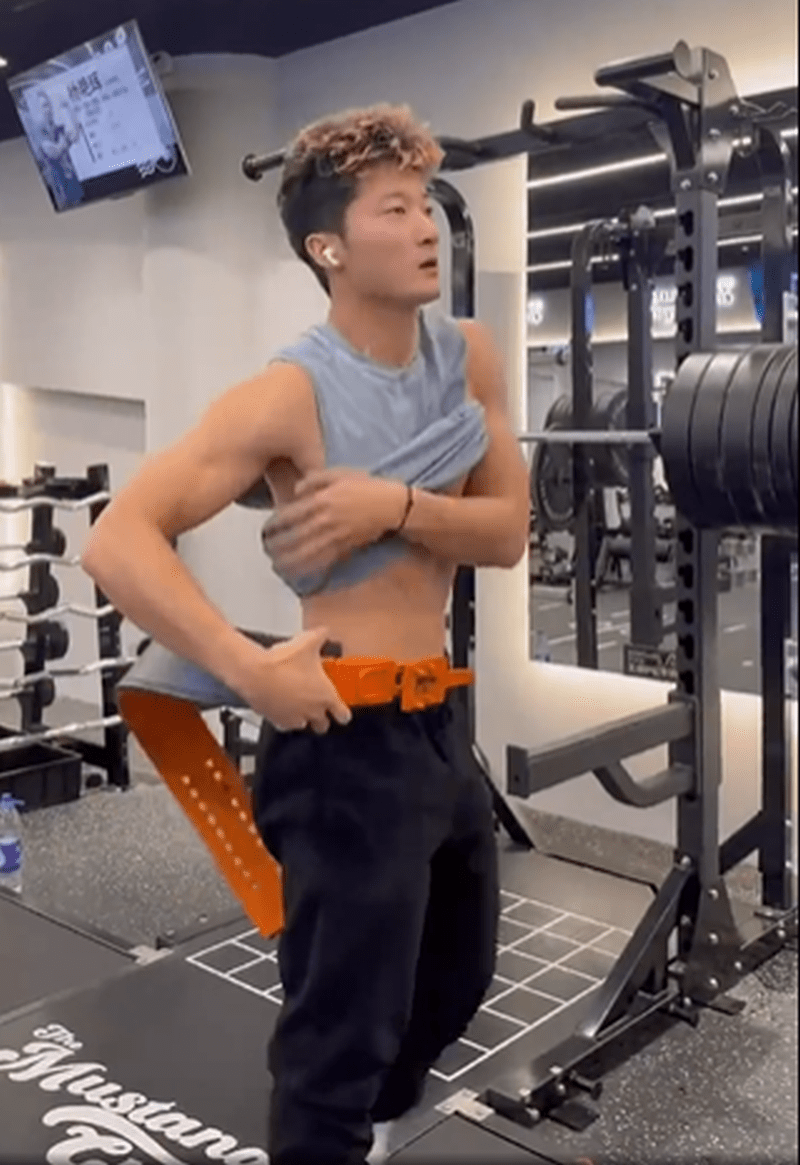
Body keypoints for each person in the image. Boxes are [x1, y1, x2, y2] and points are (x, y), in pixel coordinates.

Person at [81, 102, 530, 1165]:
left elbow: (508, 532)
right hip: (342, 737)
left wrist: (392, 506)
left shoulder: (469, 356)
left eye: (425, 204)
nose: (425, 227)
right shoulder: (289, 393)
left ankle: (363, 1127)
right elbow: (118, 539)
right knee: (337, 1041)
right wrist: (247, 670)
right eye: (394, 209)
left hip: (437, 728)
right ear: (329, 248)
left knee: (454, 983)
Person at [33, 90, 84, 211]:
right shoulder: (38, 131)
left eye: (48, 105)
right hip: (58, 188)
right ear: (38, 110)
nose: (48, 109)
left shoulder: (57, 128)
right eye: (44, 106)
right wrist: (65, 141)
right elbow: (54, 152)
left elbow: (75, 136)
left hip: (71, 184)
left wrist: (68, 109)